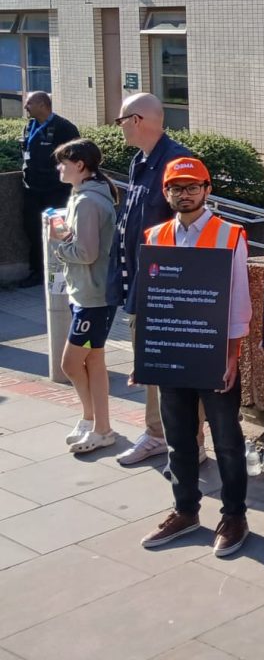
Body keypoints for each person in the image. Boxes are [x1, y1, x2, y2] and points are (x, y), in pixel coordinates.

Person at [139, 158, 252, 557]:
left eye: (192, 186)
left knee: (227, 440)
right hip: (172, 354)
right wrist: (146, 358)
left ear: (207, 190)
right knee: (179, 440)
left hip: (213, 354)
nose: (184, 193)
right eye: (176, 187)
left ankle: (235, 515)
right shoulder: (155, 234)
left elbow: (240, 301)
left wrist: (233, 356)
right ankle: (185, 510)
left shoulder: (230, 234)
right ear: (166, 192)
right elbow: (151, 302)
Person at [106, 93, 192, 466]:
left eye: (121, 119)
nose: (120, 126)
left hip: (168, 286)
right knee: (150, 363)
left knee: (171, 364)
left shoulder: (176, 162)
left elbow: (191, 226)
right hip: (141, 281)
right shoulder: (140, 162)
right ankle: (158, 434)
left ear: (137, 120)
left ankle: (184, 439)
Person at [51, 139, 118, 454]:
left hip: (92, 297)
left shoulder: (88, 201)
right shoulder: (89, 196)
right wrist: (67, 237)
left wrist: (59, 245)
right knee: (94, 362)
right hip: (92, 294)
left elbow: (87, 252)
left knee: (71, 363)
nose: (59, 168)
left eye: (63, 162)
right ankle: (96, 424)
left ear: (80, 165)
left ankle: (98, 424)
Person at [20, 91, 79, 286]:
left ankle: (64, 270)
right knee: (33, 229)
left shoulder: (64, 128)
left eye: (29, 103)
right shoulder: (30, 125)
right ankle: (37, 271)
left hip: (55, 192)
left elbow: (75, 157)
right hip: (32, 189)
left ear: (42, 104)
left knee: (60, 231)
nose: (26, 107)